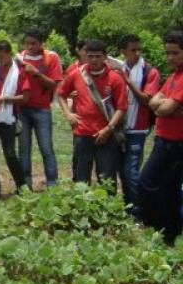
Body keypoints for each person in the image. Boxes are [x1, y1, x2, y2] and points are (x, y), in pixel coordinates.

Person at [57, 39, 127, 187]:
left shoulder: (115, 78)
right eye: (91, 56)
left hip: (106, 135)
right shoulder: (76, 74)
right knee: (81, 178)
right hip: (82, 133)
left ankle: (107, 210)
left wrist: (108, 129)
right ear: (85, 56)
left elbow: (121, 108)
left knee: (107, 179)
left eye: (98, 56)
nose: (94, 60)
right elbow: (61, 93)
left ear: (105, 58)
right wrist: (68, 114)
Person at [136, 31, 183, 245]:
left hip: (175, 143)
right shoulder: (174, 76)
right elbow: (154, 103)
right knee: (166, 187)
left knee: (148, 182)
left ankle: (159, 227)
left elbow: (165, 108)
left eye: (175, 53)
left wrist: (164, 105)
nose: (170, 58)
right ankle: (168, 233)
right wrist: (162, 105)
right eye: (168, 53)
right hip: (163, 139)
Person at [116, 34, 161, 212]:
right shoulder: (116, 69)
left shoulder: (150, 72)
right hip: (120, 129)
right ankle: (129, 205)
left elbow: (146, 101)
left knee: (131, 171)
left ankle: (138, 211)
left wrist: (129, 83)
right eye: (132, 50)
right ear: (123, 52)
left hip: (138, 128)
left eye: (139, 49)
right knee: (121, 171)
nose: (137, 53)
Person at [0, 40, 30, 199]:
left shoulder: (20, 71)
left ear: (9, 53)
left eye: (1, 56)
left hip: (8, 118)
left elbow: (25, 97)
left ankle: (22, 187)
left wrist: (4, 99)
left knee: (10, 154)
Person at [17, 28, 63, 189]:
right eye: (27, 43)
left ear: (42, 43)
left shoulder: (51, 58)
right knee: (23, 149)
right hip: (22, 109)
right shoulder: (20, 57)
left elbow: (54, 85)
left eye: (34, 43)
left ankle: (52, 184)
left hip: (42, 109)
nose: (30, 47)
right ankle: (25, 184)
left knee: (46, 148)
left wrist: (36, 73)